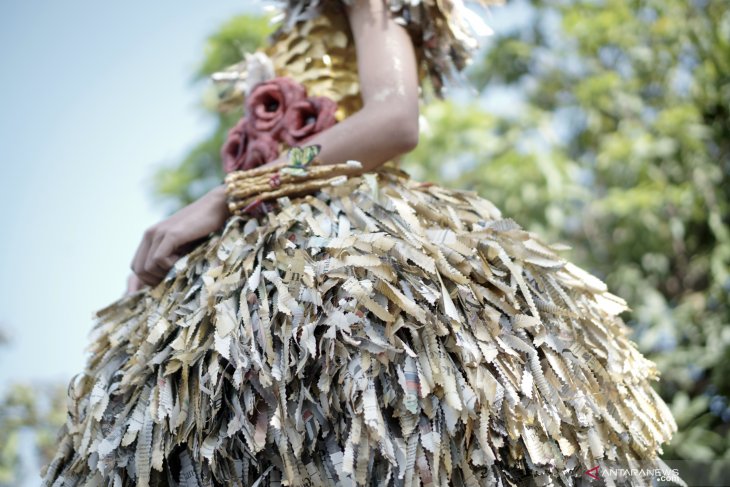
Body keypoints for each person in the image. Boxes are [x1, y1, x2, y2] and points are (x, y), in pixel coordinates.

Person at [41, 0, 683, 485]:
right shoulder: (299, 13)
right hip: (260, 261)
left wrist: (228, 195)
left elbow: (394, 120)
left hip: (345, 254)